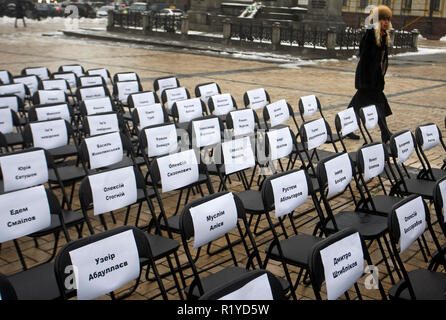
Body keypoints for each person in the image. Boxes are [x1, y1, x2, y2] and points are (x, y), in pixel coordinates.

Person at [347, 5, 393, 142]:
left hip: (374, 77)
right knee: (379, 103)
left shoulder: (383, 35)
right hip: (367, 78)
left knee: (356, 104)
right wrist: (370, 80)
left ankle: (346, 128)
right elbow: (365, 56)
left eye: (388, 19)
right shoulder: (371, 34)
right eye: (383, 19)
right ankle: (385, 132)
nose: (386, 22)